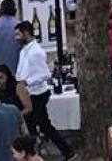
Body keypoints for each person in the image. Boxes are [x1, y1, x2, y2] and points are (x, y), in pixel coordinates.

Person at [14, 21, 72, 159]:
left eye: (18, 34)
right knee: (31, 126)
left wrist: (27, 81)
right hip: (27, 93)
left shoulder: (36, 52)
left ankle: (66, 151)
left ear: (26, 33)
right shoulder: (24, 51)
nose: (16, 38)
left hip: (37, 94)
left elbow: (45, 74)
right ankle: (34, 154)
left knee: (44, 125)